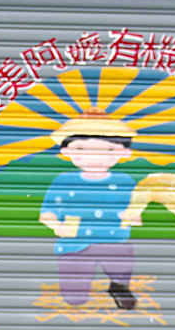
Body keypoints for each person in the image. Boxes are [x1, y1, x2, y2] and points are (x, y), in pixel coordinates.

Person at [38, 111, 142, 309]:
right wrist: (56, 226)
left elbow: (133, 208)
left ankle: (118, 286)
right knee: (74, 299)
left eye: (108, 150)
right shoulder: (63, 181)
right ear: (66, 151)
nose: (95, 158)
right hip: (74, 245)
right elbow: (47, 213)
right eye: (82, 149)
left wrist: (132, 216)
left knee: (122, 261)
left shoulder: (124, 182)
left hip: (114, 241)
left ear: (124, 153)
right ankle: (76, 292)